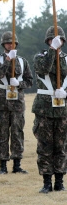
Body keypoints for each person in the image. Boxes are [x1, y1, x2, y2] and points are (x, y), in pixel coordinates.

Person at [0, 31, 33, 174]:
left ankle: (17, 164)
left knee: (17, 132)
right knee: (2, 132)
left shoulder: (23, 61)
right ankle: (2, 166)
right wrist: (8, 60)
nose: (11, 45)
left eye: (13, 42)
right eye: (8, 42)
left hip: (17, 101)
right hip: (1, 100)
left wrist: (19, 83)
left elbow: (30, 81)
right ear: (3, 44)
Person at [32, 27, 67, 193]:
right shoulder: (40, 57)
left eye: (59, 40)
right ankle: (47, 182)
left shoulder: (66, 59)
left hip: (62, 109)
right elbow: (44, 69)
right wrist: (53, 50)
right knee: (45, 146)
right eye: (53, 40)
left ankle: (59, 181)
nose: (56, 42)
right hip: (44, 108)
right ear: (48, 41)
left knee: (61, 146)